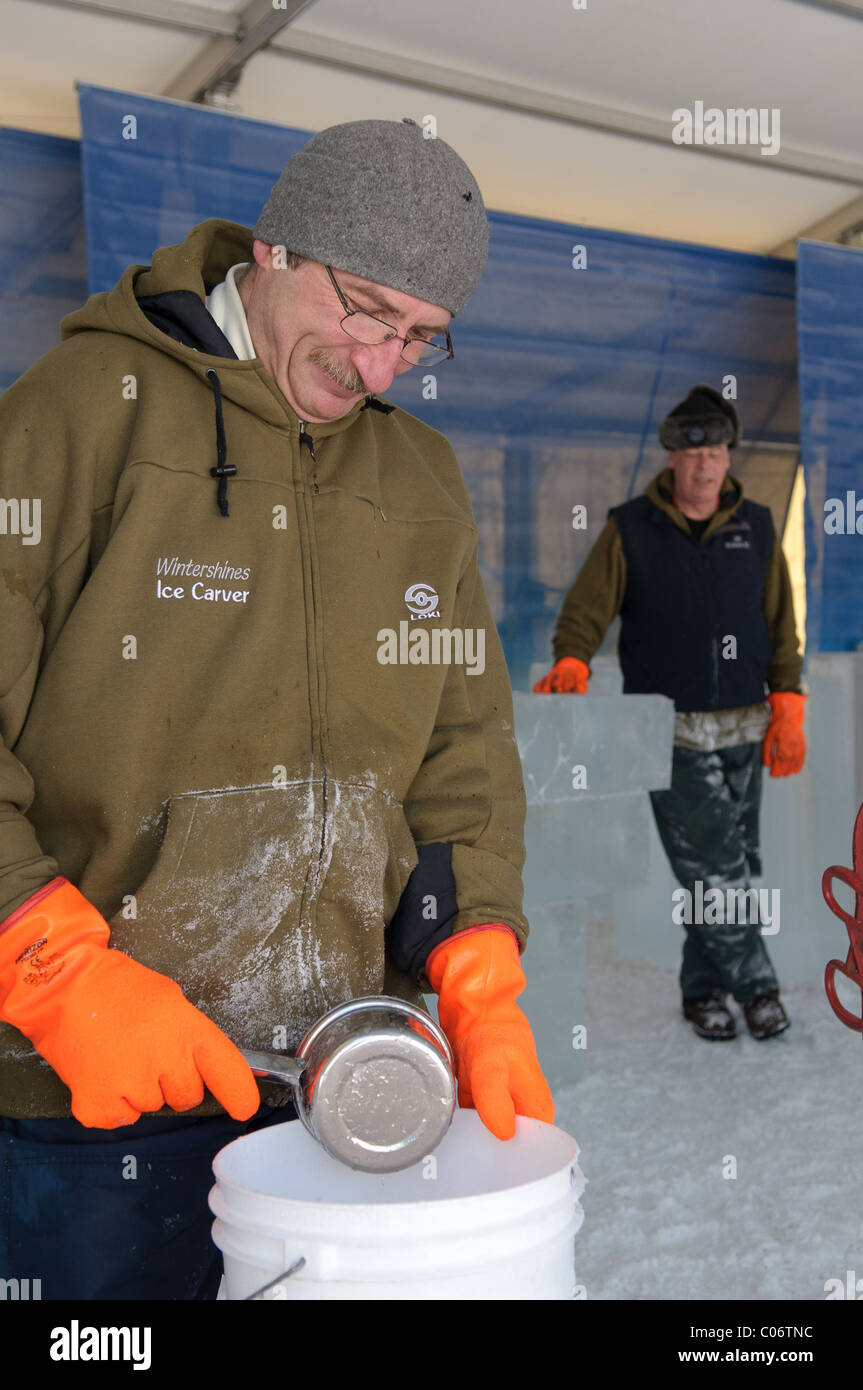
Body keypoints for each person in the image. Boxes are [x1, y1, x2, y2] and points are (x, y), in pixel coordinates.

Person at [0, 118, 553, 1300]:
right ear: (273, 248)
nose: (378, 365)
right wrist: (47, 969)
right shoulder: (84, 410)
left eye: (420, 337)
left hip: (339, 1076)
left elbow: (460, 749)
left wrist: (478, 960)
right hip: (94, 1091)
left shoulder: (421, 478)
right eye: (364, 309)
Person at [535, 385, 805, 1042]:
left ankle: (700, 990)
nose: (704, 467)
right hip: (666, 732)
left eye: (715, 453)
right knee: (715, 864)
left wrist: (787, 699)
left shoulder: (758, 525)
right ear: (670, 459)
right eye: (692, 455)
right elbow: (585, 609)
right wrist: (573, 656)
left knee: (727, 861)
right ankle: (757, 989)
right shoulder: (630, 528)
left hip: (745, 726)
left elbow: (778, 622)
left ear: (726, 456)